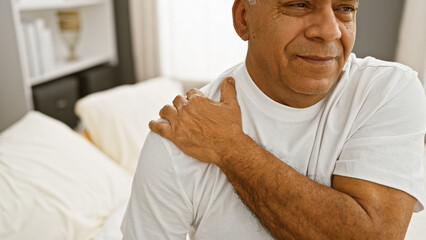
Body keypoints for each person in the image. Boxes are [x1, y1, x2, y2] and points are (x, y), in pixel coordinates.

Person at [122, 0, 426, 239]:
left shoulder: (388, 91)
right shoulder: (179, 137)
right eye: (299, 5)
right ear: (244, 19)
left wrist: (231, 147)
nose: (330, 31)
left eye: (344, 8)